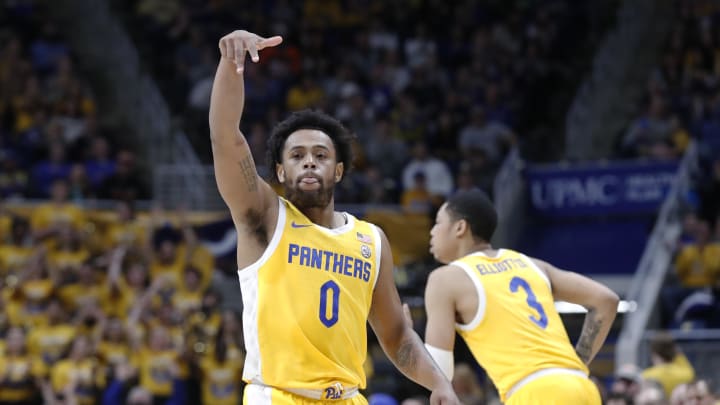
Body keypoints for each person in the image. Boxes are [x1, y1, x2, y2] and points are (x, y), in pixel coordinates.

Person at [209, 29, 459, 405]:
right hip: (279, 396)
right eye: (296, 155)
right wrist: (232, 64)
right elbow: (225, 137)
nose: (309, 160)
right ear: (279, 172)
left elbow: (396, 336)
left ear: (338, 171)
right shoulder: (265, 217)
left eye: (321, 155)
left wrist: (440, 384)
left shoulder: (371, 241)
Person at [418, 189, 619, 404]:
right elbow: (606, 299)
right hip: (580, 385)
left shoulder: (444, 279)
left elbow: (438, 371)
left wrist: (405, 334)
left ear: (460, 227)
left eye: (438, 223)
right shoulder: (532, 264)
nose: (432, 231)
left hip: (533, 392)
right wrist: (579, 362)